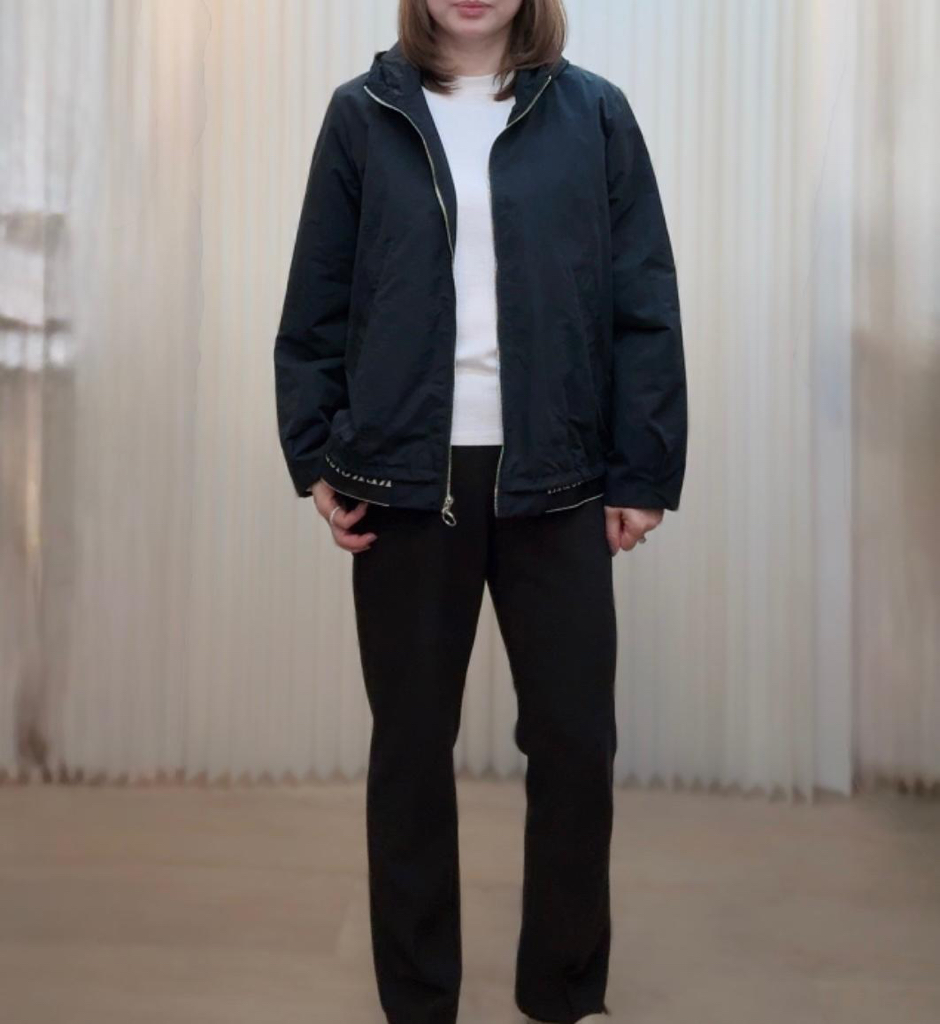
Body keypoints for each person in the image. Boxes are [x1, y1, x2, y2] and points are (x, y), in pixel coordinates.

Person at [273, 1, 687, 1021]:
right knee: (411, 750)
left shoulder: (595, 114)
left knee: (576, 744)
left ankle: (563, 994)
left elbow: (643, 301)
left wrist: (641, 470)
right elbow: (316, 303)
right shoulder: (363, 114)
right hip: (408, 480)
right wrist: (316, 453)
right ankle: (419, 1002)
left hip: (559, 475)